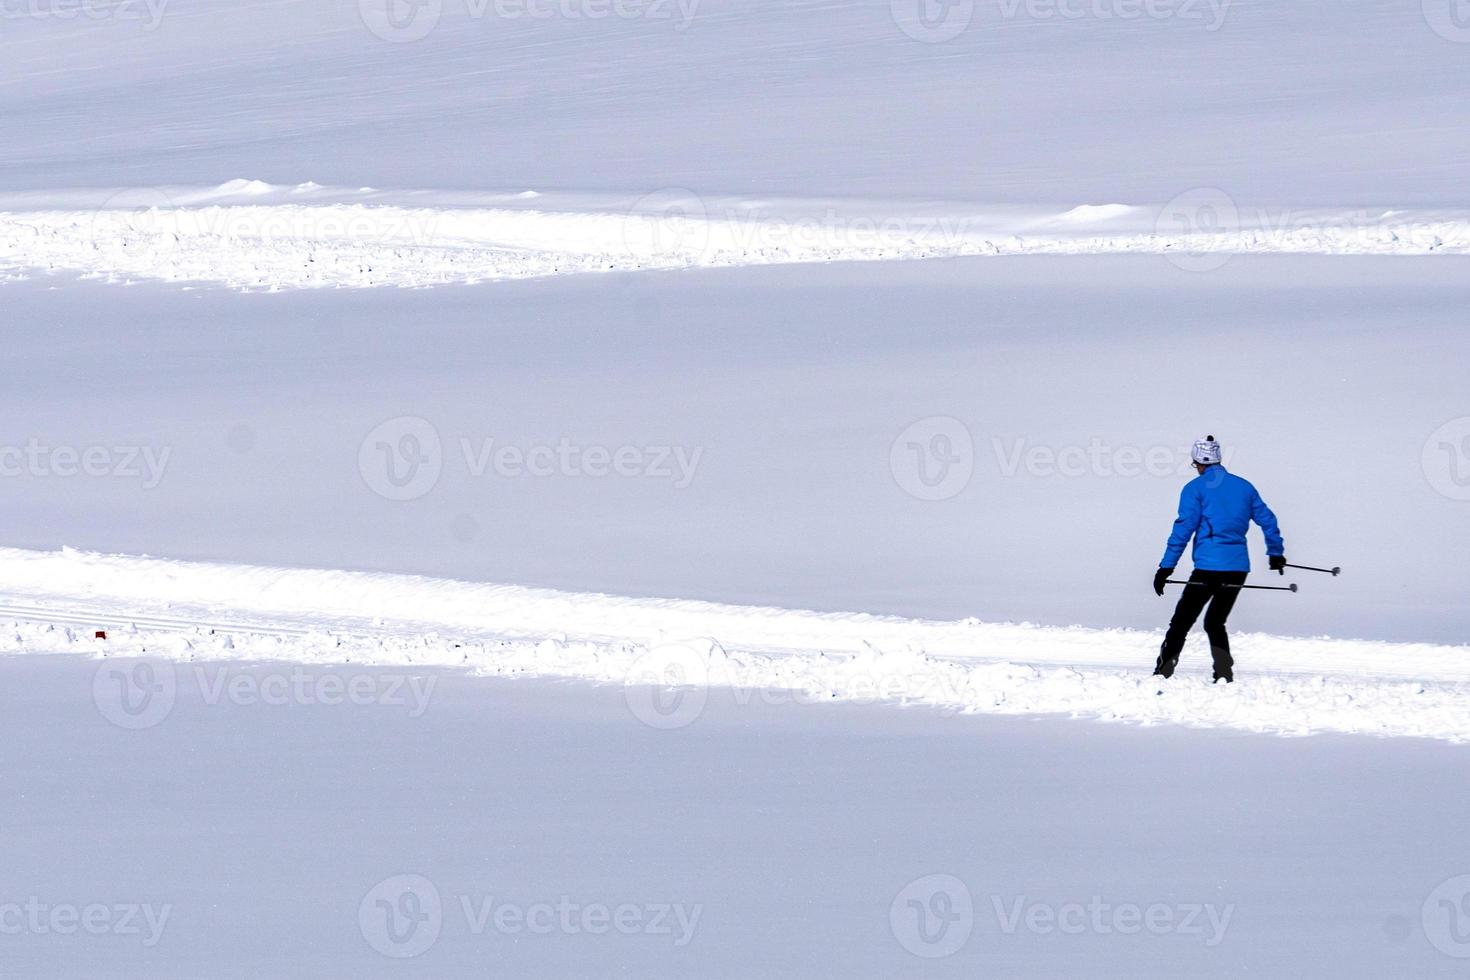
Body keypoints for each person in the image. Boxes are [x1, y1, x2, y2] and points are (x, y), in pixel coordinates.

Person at [1152, 435, 1284, 683]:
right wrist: (1275, 553)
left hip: (1207, 568)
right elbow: (1268, 520)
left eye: (1195, 463)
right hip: (1237, 568)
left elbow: (1183, 529)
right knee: (1215, 622)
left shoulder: (1194, 489)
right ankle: (1223, 674)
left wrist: (1165, 567)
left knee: (1181, 621)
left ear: (1199, 462)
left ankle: (1163, 672)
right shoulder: (1244, 487)